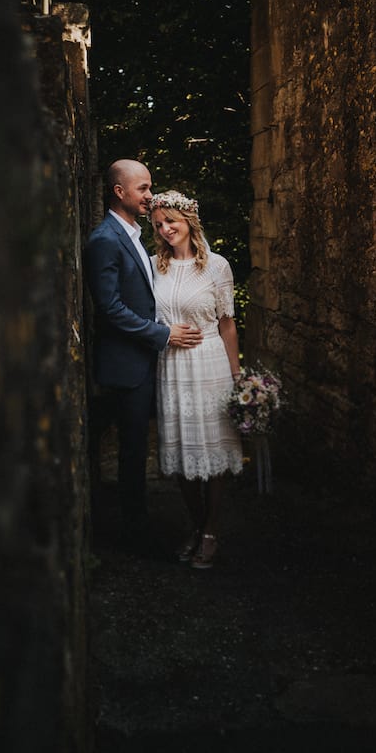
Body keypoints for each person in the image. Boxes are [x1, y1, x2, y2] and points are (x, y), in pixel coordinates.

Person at [84, 160, 203, 556]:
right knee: (132, 450)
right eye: (143, 188)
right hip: (127, 364)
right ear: (119, 192)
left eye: (150, 187)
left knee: (139, 446)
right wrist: (163, 334)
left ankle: (143, 526)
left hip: (145, 360)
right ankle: (135, 537)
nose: (150, 195)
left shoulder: (134, 235)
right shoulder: (105, 239)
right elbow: (110, 308)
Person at [149, 189, 243, 569]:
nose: (165, 229)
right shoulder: (153, 267)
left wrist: (237, 376)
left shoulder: (217, 266)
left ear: (188, 221)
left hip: (210, 361)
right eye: (158, 224)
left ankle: (211, 530)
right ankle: (196, 523)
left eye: (171, 221)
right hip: (171, 365)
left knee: (213, 449)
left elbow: (227, 324)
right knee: (183, 448)